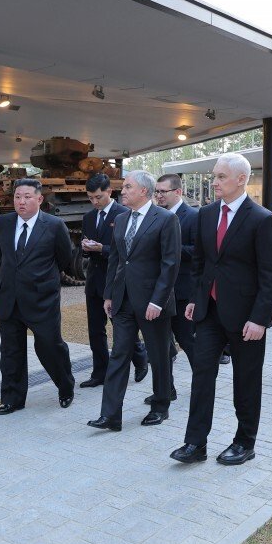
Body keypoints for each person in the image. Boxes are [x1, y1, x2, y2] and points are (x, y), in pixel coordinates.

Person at [171, 153, 272, 466]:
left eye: (220, 176)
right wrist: (195, 298)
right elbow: (201, 264)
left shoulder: (262, 219)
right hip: (210, 312)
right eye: (214, 176)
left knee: (246, 381)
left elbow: (271, 276)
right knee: (202, 375)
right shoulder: (206, 214)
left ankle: (244, 442)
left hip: (247, 318)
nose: (214, 182)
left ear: (240, 179)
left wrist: (260, 318)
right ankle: (195, 444)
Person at [87, 171, 180, 431]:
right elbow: (116, 260)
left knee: (159, 356)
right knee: (118, 355)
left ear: (144, 191)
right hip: (123, 302)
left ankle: (161, 406)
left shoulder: (166, 219)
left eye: (128, 187)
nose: (122, 191)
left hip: (153, 304)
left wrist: (158, 301)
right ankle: (110, 415)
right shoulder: (120, 218)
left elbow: (170, 264)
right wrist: (108, 294)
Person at [0, 179, 76, 414]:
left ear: (39, 199)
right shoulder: (4, 222)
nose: (21, 201)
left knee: (50, 346)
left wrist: (40, 279)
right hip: (9, 298)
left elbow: (64, 258)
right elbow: (1, 255)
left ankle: (65, 387)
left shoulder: (54, 225)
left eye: (27, 196)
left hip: (42, 300)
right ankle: (12, 399)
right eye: (18, 196)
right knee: (10, 351)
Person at [79, 174, 147, 388]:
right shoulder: (89, 217)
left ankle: (140, 358)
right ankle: (100, 372)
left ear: (109, 191)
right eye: (90, 198)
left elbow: (129, 251)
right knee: (95, 330)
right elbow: (89, 250)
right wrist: (86, 249)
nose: (94, 202)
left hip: (118, 281)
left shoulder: (125, 214)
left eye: (98, 197)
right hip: (94, 281)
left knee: (122, 327)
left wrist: (102, 248)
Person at [150, 173, 199, 404]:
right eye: (156, 191)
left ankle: (202, 386)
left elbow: (200, 252)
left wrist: (171, 248)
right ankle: (165, 389)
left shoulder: (192, 217)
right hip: (158, 292)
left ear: (177, 192)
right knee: (162, 345)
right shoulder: (154, 216)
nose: (158, 196)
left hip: (181, 292)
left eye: (163, 191)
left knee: (188, 342)